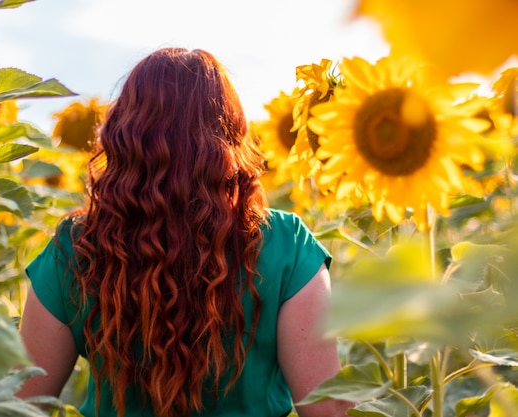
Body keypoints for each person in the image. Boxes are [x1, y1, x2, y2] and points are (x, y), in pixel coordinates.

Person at [18, 47, 351, 417]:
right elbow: (329, 410)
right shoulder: (287, 244)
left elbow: (17, 404)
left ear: (122, 136)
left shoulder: (75, 249)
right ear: (232, 136)